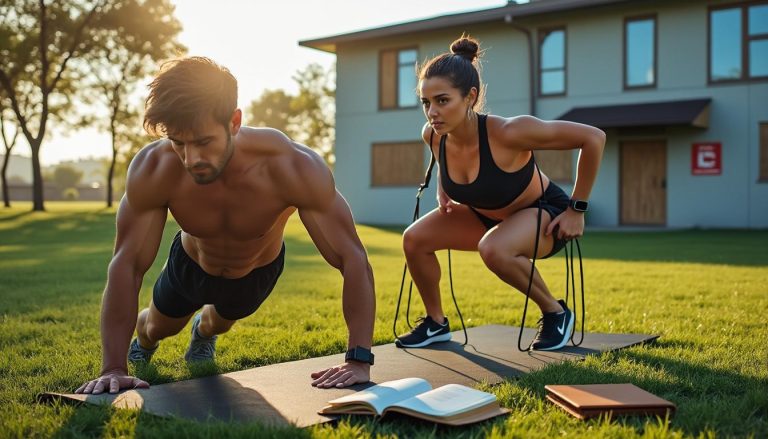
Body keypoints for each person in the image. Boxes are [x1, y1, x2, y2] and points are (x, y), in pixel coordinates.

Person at [76, 57, 375, 395]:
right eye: (178, 142)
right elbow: (126, 265)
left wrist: (358, 359)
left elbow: (352, 257)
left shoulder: (292, 166)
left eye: (203, 141)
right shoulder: (154, 168)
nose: (191, 159)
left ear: (234, 122)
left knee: (217, 322)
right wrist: (113, 367)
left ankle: (203, 334)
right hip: (190, 265)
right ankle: (142, 344)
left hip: (254, 273)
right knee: (157, 327)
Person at [395, 36, 605, 351]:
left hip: (545, 215)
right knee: (414, 239)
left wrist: (577, 209)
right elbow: (445, 160)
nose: (432, 112)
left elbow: (593, 137)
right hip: (487, 216)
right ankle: (435, 323)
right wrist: (443, 187)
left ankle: (555, 312)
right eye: (426, 102)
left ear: (470, 97)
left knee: (493, 249)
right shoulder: (434, 136)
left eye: (442, 100)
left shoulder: (510, 132)